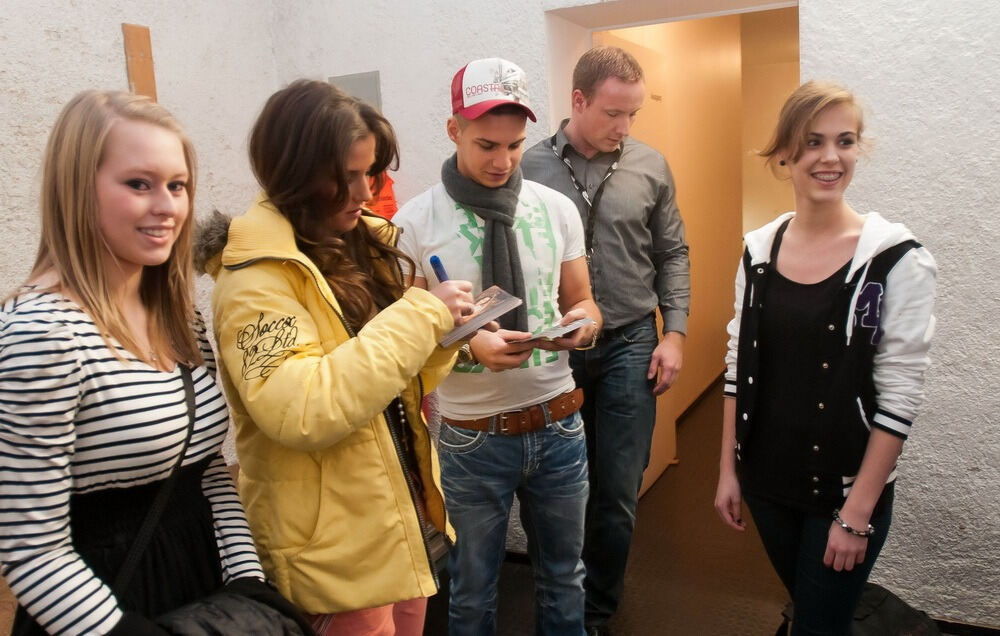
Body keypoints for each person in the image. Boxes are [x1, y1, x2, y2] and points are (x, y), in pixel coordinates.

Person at [200, 79, 474, 636]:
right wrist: (422, 316)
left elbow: (394, 380)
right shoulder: (254, 281)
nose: (366, 192)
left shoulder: (359, 242)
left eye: (370, 172)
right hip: (334, 544)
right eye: (345, 176)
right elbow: (303, 409)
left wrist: (443, 336)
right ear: (292, 170)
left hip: (397, 513)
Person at [0, 91, 267, 635]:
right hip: (99, 609)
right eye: (138, 184)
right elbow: (30, 548)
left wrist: (251, 588)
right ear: (77, 188)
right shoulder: (41, 335)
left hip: (203, 592)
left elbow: (207, 474)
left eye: (177, 185)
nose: (167, 206)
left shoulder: (178, 317)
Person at [713, 81, 937, 635]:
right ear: (786, 153)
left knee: (819, 623)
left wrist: (857, 517)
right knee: (815, 612)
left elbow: (900, 397)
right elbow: (739, 362)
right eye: (812, 142)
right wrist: (728, 470)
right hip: (766, 481)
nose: (829, 157)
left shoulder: (895, 261)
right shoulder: (759, 249)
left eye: (845, 141)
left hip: (843, 493)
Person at [394, 57, 602, 636]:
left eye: (514, 145)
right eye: (487, 144)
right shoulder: (415, 224)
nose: (502, 161)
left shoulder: (555, 209)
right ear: (454, 129)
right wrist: (468, 348)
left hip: (558, 423)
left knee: (565, 579)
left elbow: (584, 300)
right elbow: (405, 344)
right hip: (470, 434)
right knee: (472, 591)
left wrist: (582, 323)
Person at [521, 45, 690, 634]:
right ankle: (556, 601)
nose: (624, 127)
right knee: (553, 488)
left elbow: (672, 252)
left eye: (633, 115)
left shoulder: (650, 165)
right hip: (555, 349)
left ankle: (595, 615)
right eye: (614, 113)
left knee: (617, 489)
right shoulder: (527, 167)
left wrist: (678, 333)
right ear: (577, 100)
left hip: (629, 342)